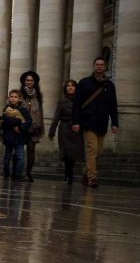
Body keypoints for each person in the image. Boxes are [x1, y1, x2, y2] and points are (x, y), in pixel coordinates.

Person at [72, 57, 119, 188]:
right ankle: (92, 178)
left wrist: (115, 123)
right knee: (92, 149)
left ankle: (86, 172)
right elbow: (77, 104)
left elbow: (113, 105)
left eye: (102, 65)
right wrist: (75, 122)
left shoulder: (110, 86)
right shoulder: (84, 83)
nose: (99, 66)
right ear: (94, 66)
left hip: (102, 123)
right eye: (97, 64)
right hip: (88, 122)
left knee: (98, 152)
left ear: (105, 67)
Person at [48, 79, 84, 185]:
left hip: (76, 129)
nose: (70, 87)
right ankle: (68, 174)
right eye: (68, 86)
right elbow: (56, 116)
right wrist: (52, 131)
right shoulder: (62, 101)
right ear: (65, 88)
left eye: (72, 86)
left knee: (73, 153)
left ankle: (69, 173)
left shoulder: (80, 100)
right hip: (65, 128)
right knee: (67, 153)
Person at [0, 89, 32, 180]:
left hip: (19, 136)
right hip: (9, 136)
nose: (13, 98)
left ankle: (18, 174)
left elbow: (28, 121)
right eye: (11, 97)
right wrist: (18, 122)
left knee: (20, 156)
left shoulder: (24, 110)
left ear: (19, 99)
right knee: (7, 156)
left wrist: (20, 128)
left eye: (15, 97)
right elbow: (5, 121)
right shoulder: (6, 109)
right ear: (8, 98)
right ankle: (6, 174)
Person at [18, 70, 44, 181]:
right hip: (21, 127)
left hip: (34, 127)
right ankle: (17, 172)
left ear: (35, 82)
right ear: (24, 81)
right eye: (27, 80)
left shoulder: (38, 96)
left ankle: (28, 173)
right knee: (19, 151)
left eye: (31, 80)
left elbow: (41, 112)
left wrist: (41, 128)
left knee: (31, 150)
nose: (29, 82)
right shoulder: (19, 95)